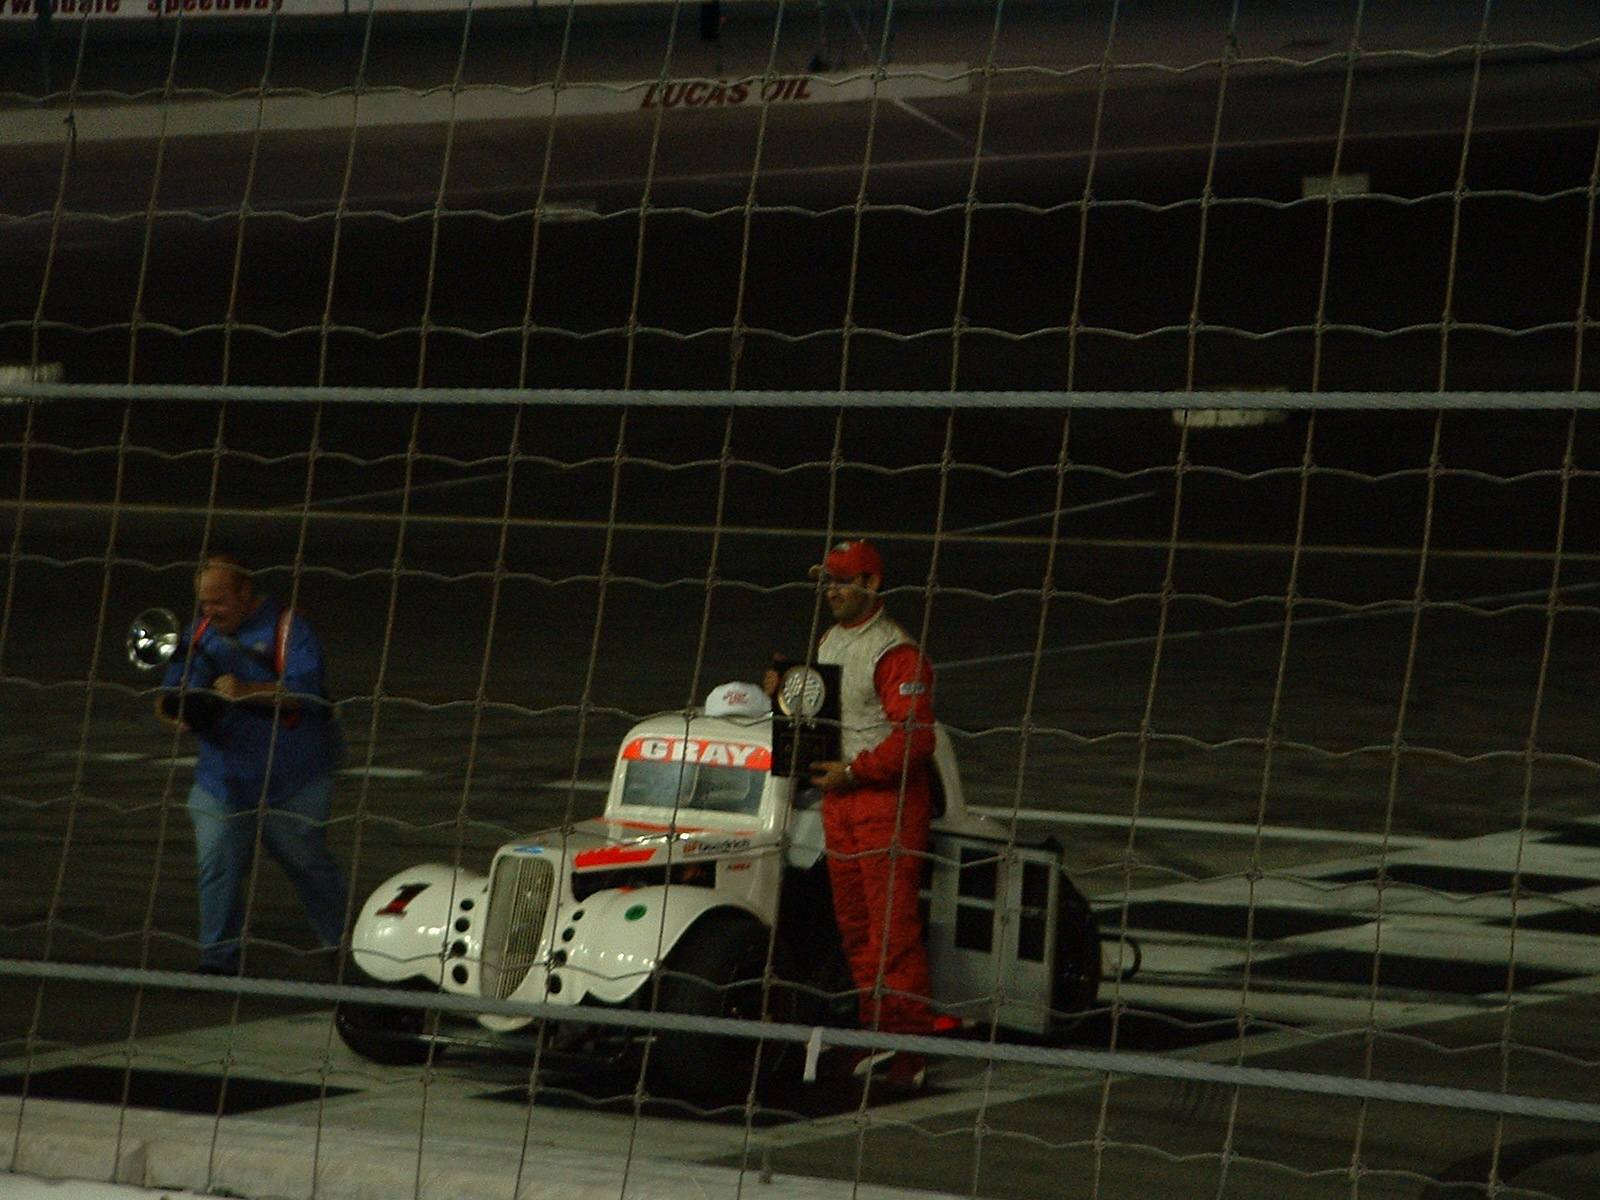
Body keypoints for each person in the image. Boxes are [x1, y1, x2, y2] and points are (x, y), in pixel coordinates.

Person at [155, 556, 349, 977]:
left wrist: (248, 691)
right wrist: (184, 711)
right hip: (222, 780)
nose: (209, 613)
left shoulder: (289, 629)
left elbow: (309, 694)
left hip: (292, 777)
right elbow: (172, 692)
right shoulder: (199, 634)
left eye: (218, 602)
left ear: (245, 594)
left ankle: (342, 945)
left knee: (307, 863)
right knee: (217, 864)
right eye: (203, 604)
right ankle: (218, 960)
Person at [793, 538, 939, 1095]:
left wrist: (855, 773)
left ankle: (911, 1048)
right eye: (826, 580)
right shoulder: (831, 639)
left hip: (886, 803)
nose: (831, 589)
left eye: (842, 580)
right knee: (856, 929)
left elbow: (916, 740)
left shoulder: (895, 652)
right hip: (842, 800)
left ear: (873, 584)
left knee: (891, 931)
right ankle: (878, 1032)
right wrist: (786, 692)